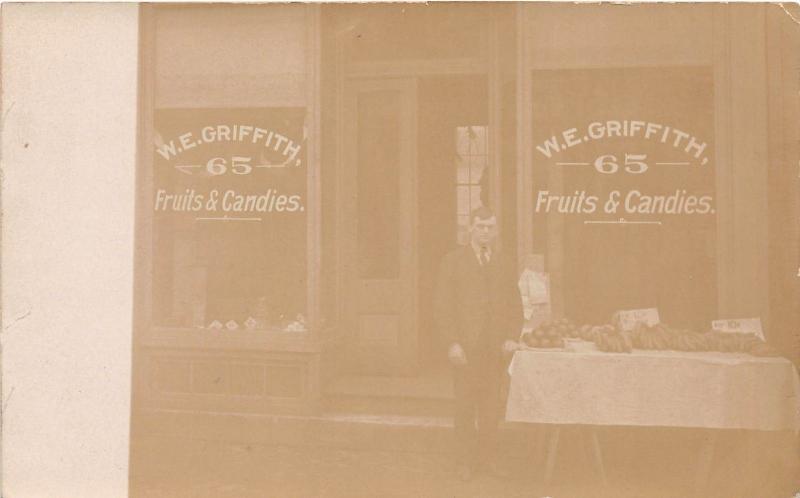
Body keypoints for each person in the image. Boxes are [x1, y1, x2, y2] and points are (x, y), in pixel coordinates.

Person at [434, 206, 523, 481]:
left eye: (490, 227)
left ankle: (487, 460)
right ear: (470, 228)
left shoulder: (504, 262)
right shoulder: (453, 261)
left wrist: (511, 336)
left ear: (495, 231)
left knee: (490, 408)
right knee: (464, 406)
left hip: (494, 349)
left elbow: (515, 305)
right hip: (466, 349)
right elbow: (442, 306)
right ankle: (464, 461)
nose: (485, 231)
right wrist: (452, 343)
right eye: (480, 226)